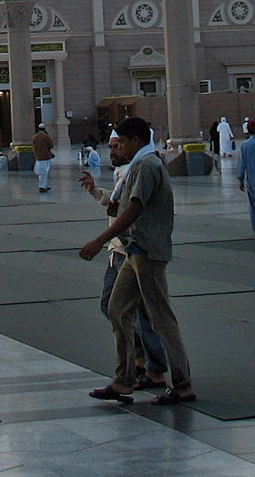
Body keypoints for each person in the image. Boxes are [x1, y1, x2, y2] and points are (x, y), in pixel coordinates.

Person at [77, 116, 196, 406]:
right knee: (117, 309)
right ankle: (124, 378)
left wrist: (100, 240)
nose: (119, 148)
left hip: (147, 251)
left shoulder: (147, 166)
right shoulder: (140, 166)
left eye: (123, 142)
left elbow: (134, 209)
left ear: (137, 141)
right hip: (135, 251)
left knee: (160, 318)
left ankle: (182, 384)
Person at [80, 144, 168, 392]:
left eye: (118, 146)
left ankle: (154, 369)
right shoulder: (125, 173)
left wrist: (98, 241)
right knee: (113, 306)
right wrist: (96, 191)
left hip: (131, 249)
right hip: (117, 250)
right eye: (111, 147)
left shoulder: (142, 169)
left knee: (142, 313)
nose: (113, 151)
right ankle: (138, 363)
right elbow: (118, 205)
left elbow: (131, 211)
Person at [31, 124, 53, 192]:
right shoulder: (45, 137)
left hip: (38, 157)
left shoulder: (34, 137)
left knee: (40, 172)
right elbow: (51, 145)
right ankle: (42, 187)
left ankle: (43, 185)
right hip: (45, 157)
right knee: (45, 172)